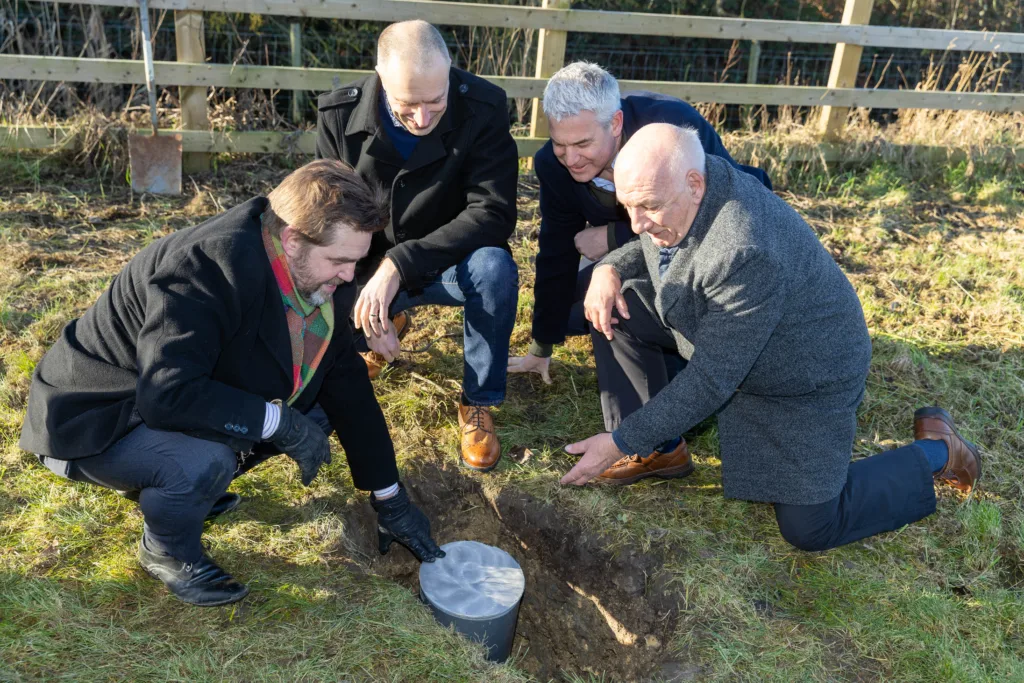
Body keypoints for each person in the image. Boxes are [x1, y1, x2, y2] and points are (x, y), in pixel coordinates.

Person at [19, 160, 446, 606]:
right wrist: (275, 423)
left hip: (165, 395)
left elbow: (346, 379)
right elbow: (167, 393)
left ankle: (182, 485)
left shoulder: (308, 270)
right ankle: (166, 546)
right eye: (340, 261)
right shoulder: (204, 269)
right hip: (94, 417)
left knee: (315, 411)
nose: (348, 277)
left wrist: (389, 497)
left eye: (356, 262)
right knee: (205, 462)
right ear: (292, 239)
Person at [560, 124, 981, 551]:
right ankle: (659, 446)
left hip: (805, 374)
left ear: (694, 184)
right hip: (739, 335)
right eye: (627, 206)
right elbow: (654, 244)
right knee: (619, 305)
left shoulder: (744, 247)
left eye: (648, 206)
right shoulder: (692, 182)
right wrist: (609, 268)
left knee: (810, 527)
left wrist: (619, 441)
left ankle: (939, 452)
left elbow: (711, 380)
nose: (636, 222)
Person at [508, 62, 770, 480]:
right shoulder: (553, 165)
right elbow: (556, 250)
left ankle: (650, 438)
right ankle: (656, 417)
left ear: (615, 123)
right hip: (643, 255)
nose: (570, 158)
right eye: (560, 144)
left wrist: (611, 240)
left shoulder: (675, 129)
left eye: (582, 144)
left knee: (618, 302)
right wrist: (542, 344)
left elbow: (728, 211)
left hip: (704, 257)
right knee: (582, 310)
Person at [316, 20, 519, 473]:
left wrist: (397, 266)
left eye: (436, 102)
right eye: (408, 105)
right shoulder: (338, 115)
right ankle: (380, 326)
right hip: (367, 266)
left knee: (495, 269)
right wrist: (367, 292)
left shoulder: (484, 107)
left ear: (450, 73)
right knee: (325, 305)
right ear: (380, 78)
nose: (423, 119)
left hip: (452, 261)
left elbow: (493, 212)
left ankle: (478, 402)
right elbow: (331, 217)